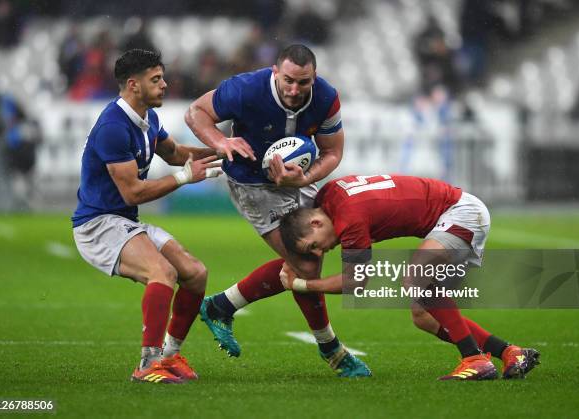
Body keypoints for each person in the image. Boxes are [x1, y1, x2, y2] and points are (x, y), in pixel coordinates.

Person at [185, 44, 371, 377]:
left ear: (314, 77)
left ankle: (220, 306)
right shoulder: (246, 89)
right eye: (288, 81)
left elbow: (333, 151)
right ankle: (333, 351)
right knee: (306, 262)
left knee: (305, 258)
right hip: (253, 185)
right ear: (275, 72)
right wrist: (220, 142)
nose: (295, 90)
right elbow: (196, 112)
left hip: (300, 179)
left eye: (304, 82)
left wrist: (306, 178)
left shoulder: (326, 98)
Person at [278, 174, 540, 380]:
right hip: (453, 213)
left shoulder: (349, 220)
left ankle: (474, 359)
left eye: (314, 245)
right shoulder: (329, 194)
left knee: (416, 277)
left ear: (315, 224)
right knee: (423, 317)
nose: (320, 252)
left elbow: (355, 282)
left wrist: (302, 284)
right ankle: (510, 353)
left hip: (461, 213)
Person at [72, 49, 222, 384]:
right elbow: (133, 192)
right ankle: (148, 364)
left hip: (124, 221)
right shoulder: (113, 126)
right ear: (133, 85)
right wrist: (185, 178)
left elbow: (176, 154)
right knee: (162, 271)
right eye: (156, 80)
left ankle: (169, 357)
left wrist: (225, 149)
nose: (165, 85)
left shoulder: (148, 119)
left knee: (195, 273)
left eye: (162, 77)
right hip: (97, 224)